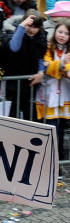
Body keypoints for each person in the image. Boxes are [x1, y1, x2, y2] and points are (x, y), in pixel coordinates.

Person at [36, 21, 70, 160]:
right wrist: (61, 64)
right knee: (50, 130)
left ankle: (59, 162)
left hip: (64, 95)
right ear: (55, 32)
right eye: (60, 32)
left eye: (67, 33)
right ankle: (48, 161)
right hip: (49, 95)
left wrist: (65, 68)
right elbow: (46, 65)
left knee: (60, 132)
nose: (62, 35)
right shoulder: (48, 48)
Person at [5, 11, 46, 120]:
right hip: (14, 85)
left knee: (30, 118)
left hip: (31, 84)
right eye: (30, 26)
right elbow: (14, 47)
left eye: (35, 27)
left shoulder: (42, 38)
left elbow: (41, 58)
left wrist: (41, 72)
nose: (32, 30)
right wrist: (22, 26)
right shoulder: (17, 32)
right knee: (13, 117)